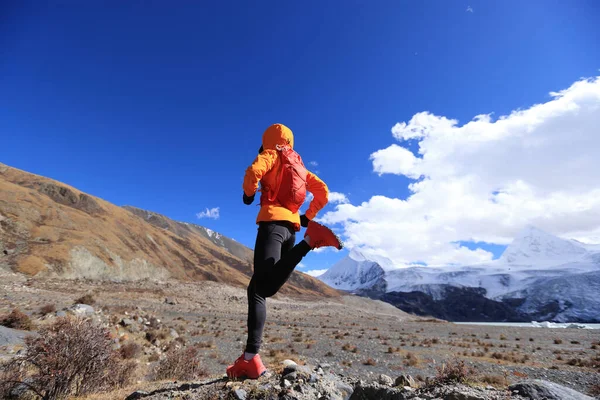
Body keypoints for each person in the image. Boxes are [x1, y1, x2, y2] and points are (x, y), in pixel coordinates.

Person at [226, 123, 343, 379]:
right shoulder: (299, 166)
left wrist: (248, 195)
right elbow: (323, 192)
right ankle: (250, 358)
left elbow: (253, 171)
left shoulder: (271, 154)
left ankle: (311, 241)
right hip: (291, 229)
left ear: (268, 139)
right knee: (257, 289)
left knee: (261, 289)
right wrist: (306, 216)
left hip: (272, 225)